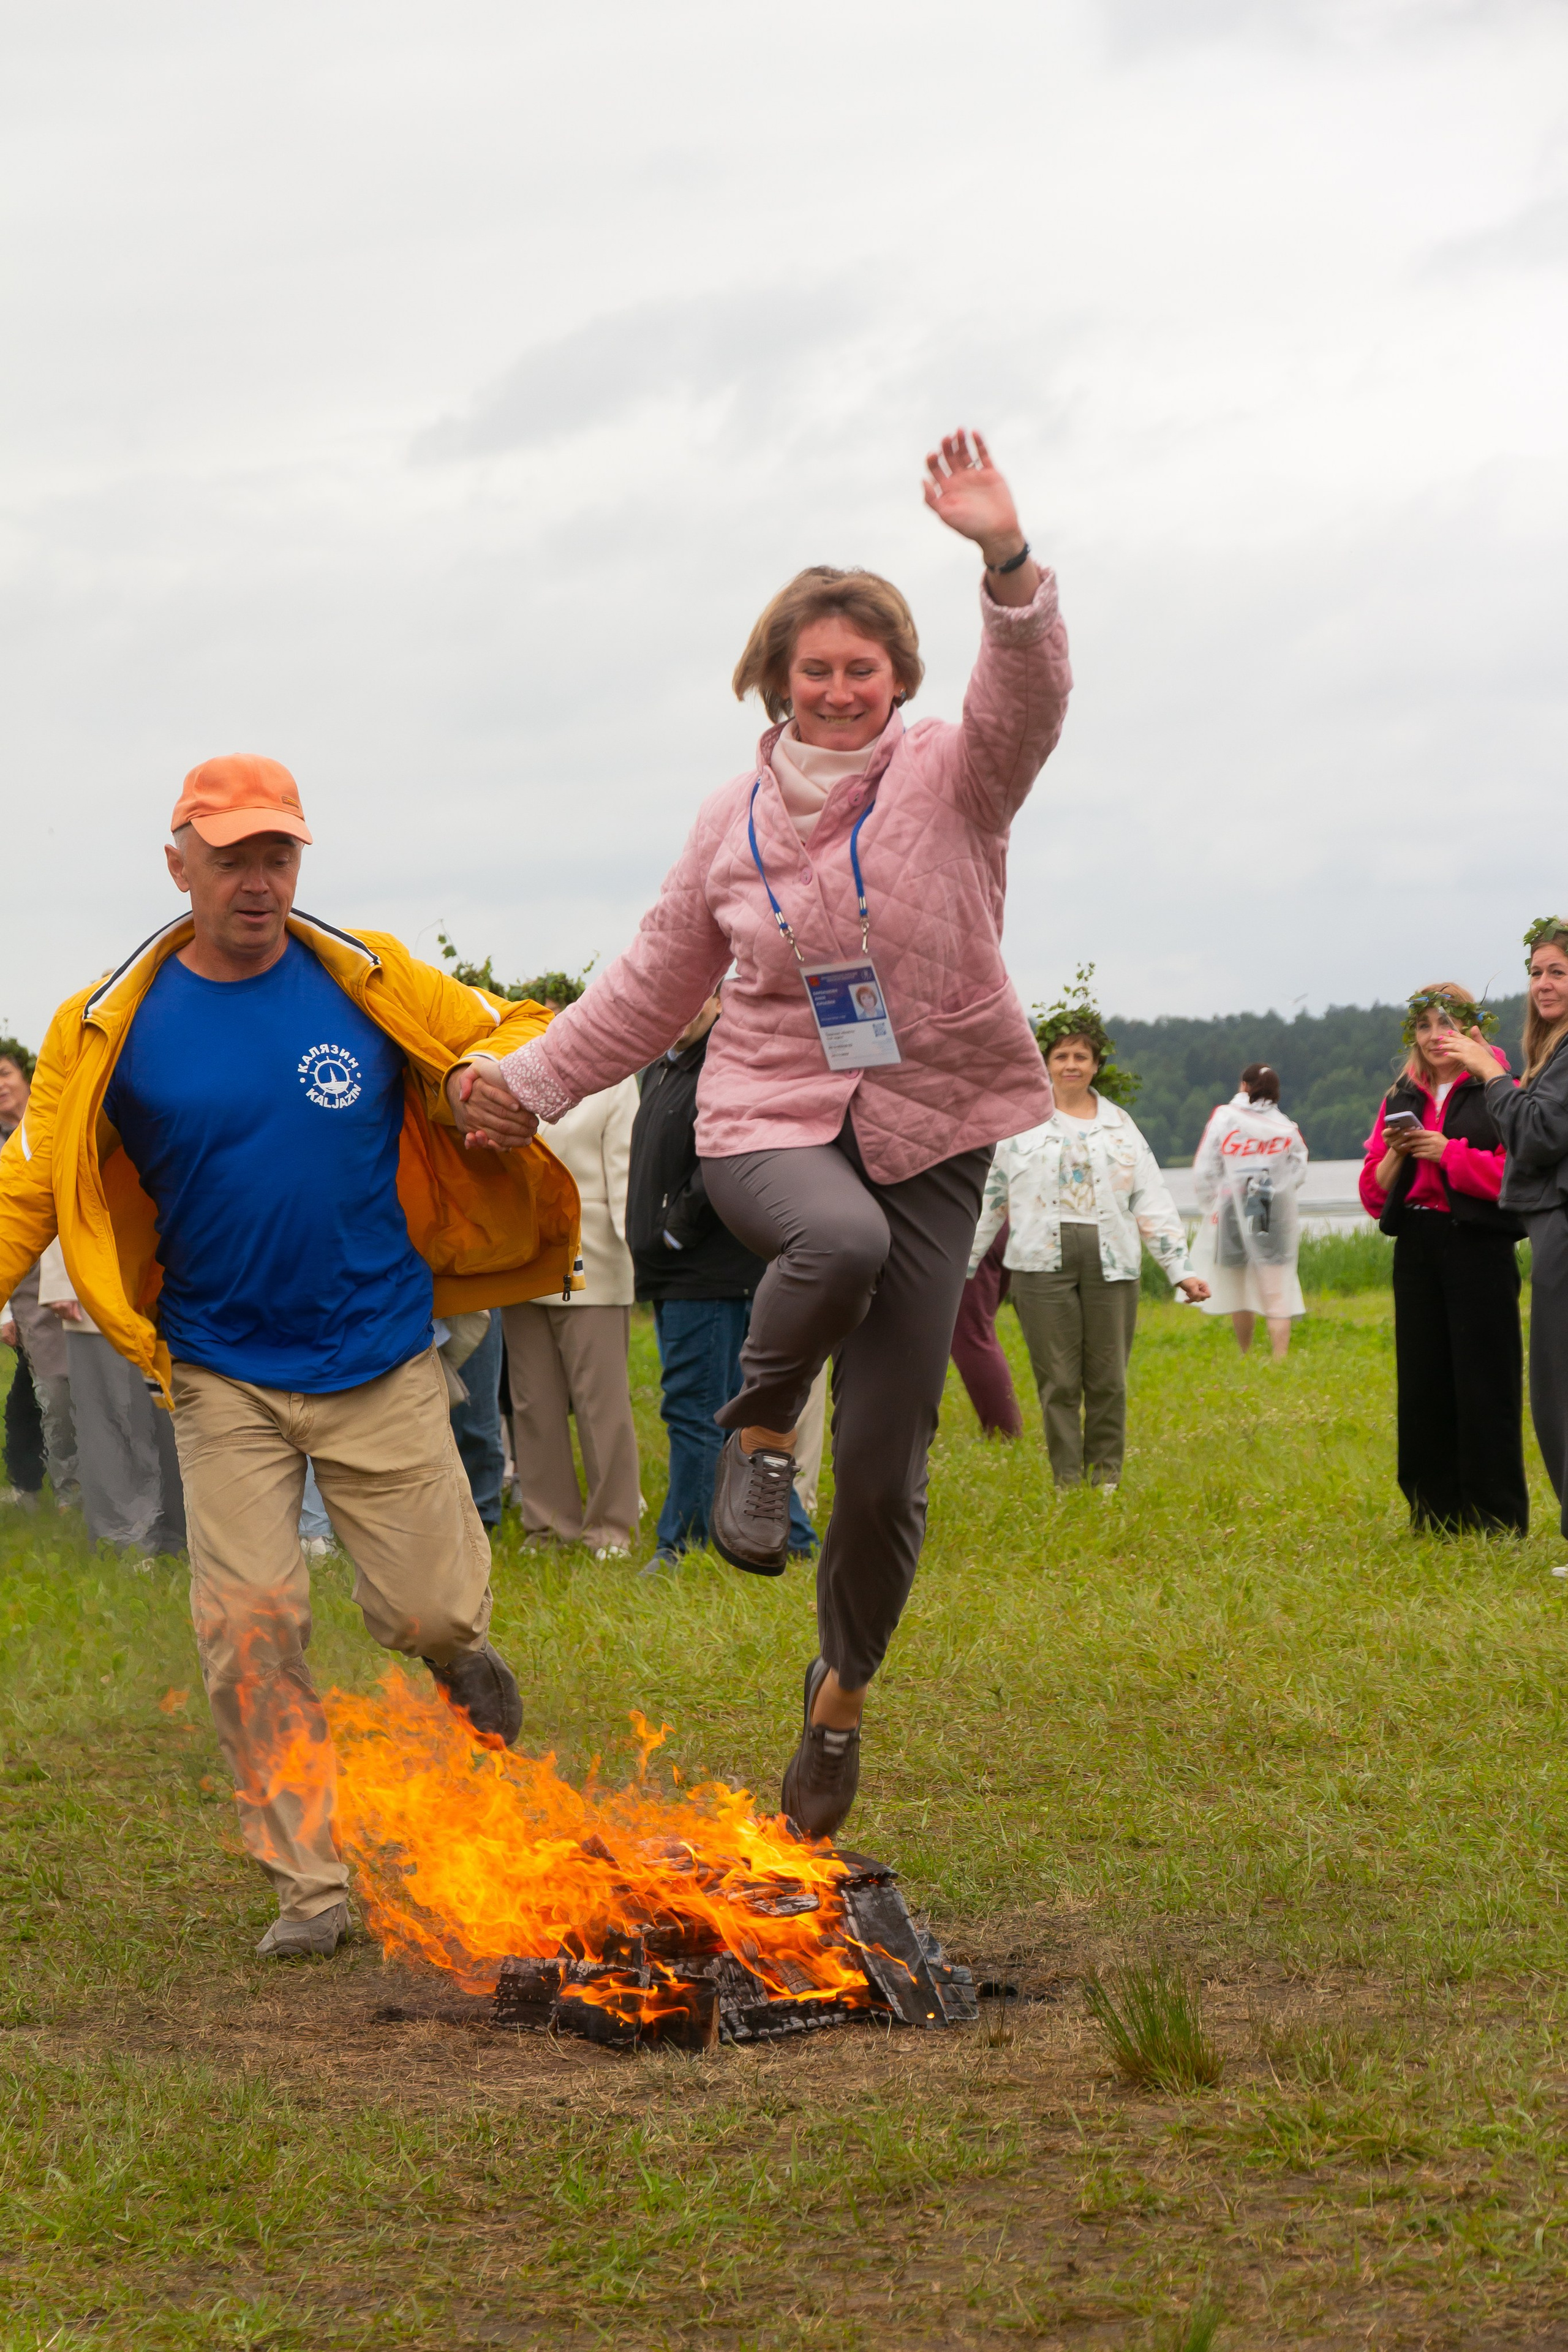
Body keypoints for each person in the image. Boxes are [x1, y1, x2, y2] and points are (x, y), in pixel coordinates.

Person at [484, 427, 1072, 1836]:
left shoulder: (953, 775)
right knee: (832, 1233)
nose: (837, 685)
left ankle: (839, 1694)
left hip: (931, 1124)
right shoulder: (726, 824)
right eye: (813, 666)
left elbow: (1028, 698)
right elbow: (649, 983)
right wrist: (531, 1082)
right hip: (764, 1114)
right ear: (772, 677)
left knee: (881, 1461)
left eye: (860, 666)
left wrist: (1004, 560)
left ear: (897, 679)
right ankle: (754, 1433)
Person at [0, 755, 579, 1956]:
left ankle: (455, 1656)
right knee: (249, 1626)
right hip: (223, 1374)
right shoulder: (107, 1022)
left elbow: (517, 1029)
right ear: (180, 866)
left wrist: (486, 1073)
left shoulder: (364, 977)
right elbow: (28, 1182)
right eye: (232, 858)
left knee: (426, 1609)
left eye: (279, 854)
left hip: (379, 1355)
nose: (258, 881)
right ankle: (311, 1886)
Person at [968, 1000, 1207, 1490]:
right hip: (1038, 1262)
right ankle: (1068, 1482)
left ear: (1097, 1065)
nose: (1072, 1065)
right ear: (1046, 1064)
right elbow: (990, 1199)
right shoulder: (1018, 1126)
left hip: (1113, 1262)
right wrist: (961, 1265)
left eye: (1081, 1056)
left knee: (1108, 1380)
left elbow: (1152, 1200)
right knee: (1057, 1381)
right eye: (1062, 1056)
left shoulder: (1122, 1128)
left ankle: (1106, 1483)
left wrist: (1179, 1269)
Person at [627, 992, 818, 1570]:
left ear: (716, 999)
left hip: (706, 1271)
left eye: (691, 996)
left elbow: (728, 1153)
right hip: (673, 1272)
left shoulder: (724, 1065)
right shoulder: (665, 1066)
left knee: (696, 1411)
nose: (676, 1008)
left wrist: (676, 1231)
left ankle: (678, 1544)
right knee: (730, 1411)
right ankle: (795, 1539)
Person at [1357, 984, 1525, 1536]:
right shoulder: (1401, 1094)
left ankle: (1496, 1517)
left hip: (1478, 1242)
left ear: (1470, 1030)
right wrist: (1397, 1160)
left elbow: (1516, 1178)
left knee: (1486, 1380)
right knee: (1423, 1381)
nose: (1434, 1036)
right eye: (1424, 1026)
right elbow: (1374, 1194)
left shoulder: (1499, 1088)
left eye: (1445, 1024)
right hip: (1419, 1244)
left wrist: (1445, 1153)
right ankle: (1432, 1514)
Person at [1439, 922, 1568, 1548]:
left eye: (1557, 973)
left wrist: (1489, 1076)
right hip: (1547, 1223)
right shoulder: (1552, 1053)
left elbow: (1541, 1136)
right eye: (1536, 972)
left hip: (1561, 1226)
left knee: (1557, 1387)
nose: (1543, 984)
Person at [502, 1057, 643, 1559]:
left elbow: (626, 1172)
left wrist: (638, 1259)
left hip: (595, 1262)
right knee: (532, 1402)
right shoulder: (509, 1077)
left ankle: (613, 1528)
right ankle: (547, 1525)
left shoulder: (614, 1078)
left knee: (600, 1403)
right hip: (520, 1260)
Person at [38, 1241, 186, 1557]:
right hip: (98, 1280)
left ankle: (184, 1536)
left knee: (179, 1418)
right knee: (109, 1417)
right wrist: (61, 1280)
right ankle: (124, 1541)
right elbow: (62, 1193)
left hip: (182, 1281)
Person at [0, 1044, 77, 1510]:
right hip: (29, 1286)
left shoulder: (59, 1124)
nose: (0, 1086)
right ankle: (66, 1491)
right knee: (52, 1388)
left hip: (79, 1271)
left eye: (4, 1073)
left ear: (27, 1075)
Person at [1191, 1065, 1308, 1360]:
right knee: (1276, 1283)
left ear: (1244, 1085)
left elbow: (1206, 1166)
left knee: (1238, 1281)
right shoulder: (1286, 1127)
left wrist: (1212, 1204)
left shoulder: (1226, 1117)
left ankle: (1245, 1352)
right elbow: (1299, 1168)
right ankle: (1279, 1355)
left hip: (1233, 1205)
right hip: (1271, 1207)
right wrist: (1281, 1192)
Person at [949, 1224, 1023, 1439]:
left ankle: (1005, 1433)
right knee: (975, 1332)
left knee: (972, 1333)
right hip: (1000, 1223)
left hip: (975, 1230)